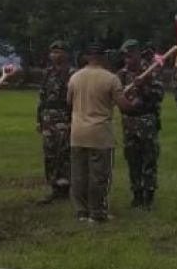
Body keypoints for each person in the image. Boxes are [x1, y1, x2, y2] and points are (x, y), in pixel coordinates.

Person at [68, 42, 135, 223]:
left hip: (78, 132)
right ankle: (96, 212)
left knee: (79, 174)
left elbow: (69, 102)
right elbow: (124, 106)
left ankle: (81, 211)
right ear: (103, 57)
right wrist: (133, 100)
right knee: (99, 175)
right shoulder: (111, 79)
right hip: (100, 134)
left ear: (87, 57)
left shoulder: (75, 77)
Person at [117, 40, 164, 210]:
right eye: (125, 56)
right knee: (132, 158)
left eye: (131, 55)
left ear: (138, 53)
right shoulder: (121, 74)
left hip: (146, 120)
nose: (128, 60)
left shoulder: (150, 72)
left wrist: (144, 86)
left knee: (149, 158)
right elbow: (117, 95)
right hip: (129, 121)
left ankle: (148, 194)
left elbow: (159, 95)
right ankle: (136, 193)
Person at [36, 40, 73, 205]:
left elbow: (75, 99)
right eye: (53, 52)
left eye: (58, 52)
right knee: (50, 153)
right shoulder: (47, 73)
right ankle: (54, 187)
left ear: (66, 54)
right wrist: (39, 119)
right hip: (48, 118)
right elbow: (41, 98)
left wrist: (73, 120)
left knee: (64, 153)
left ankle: (66, 187)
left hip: (63, 116)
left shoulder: (71, 74)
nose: (55, 55)